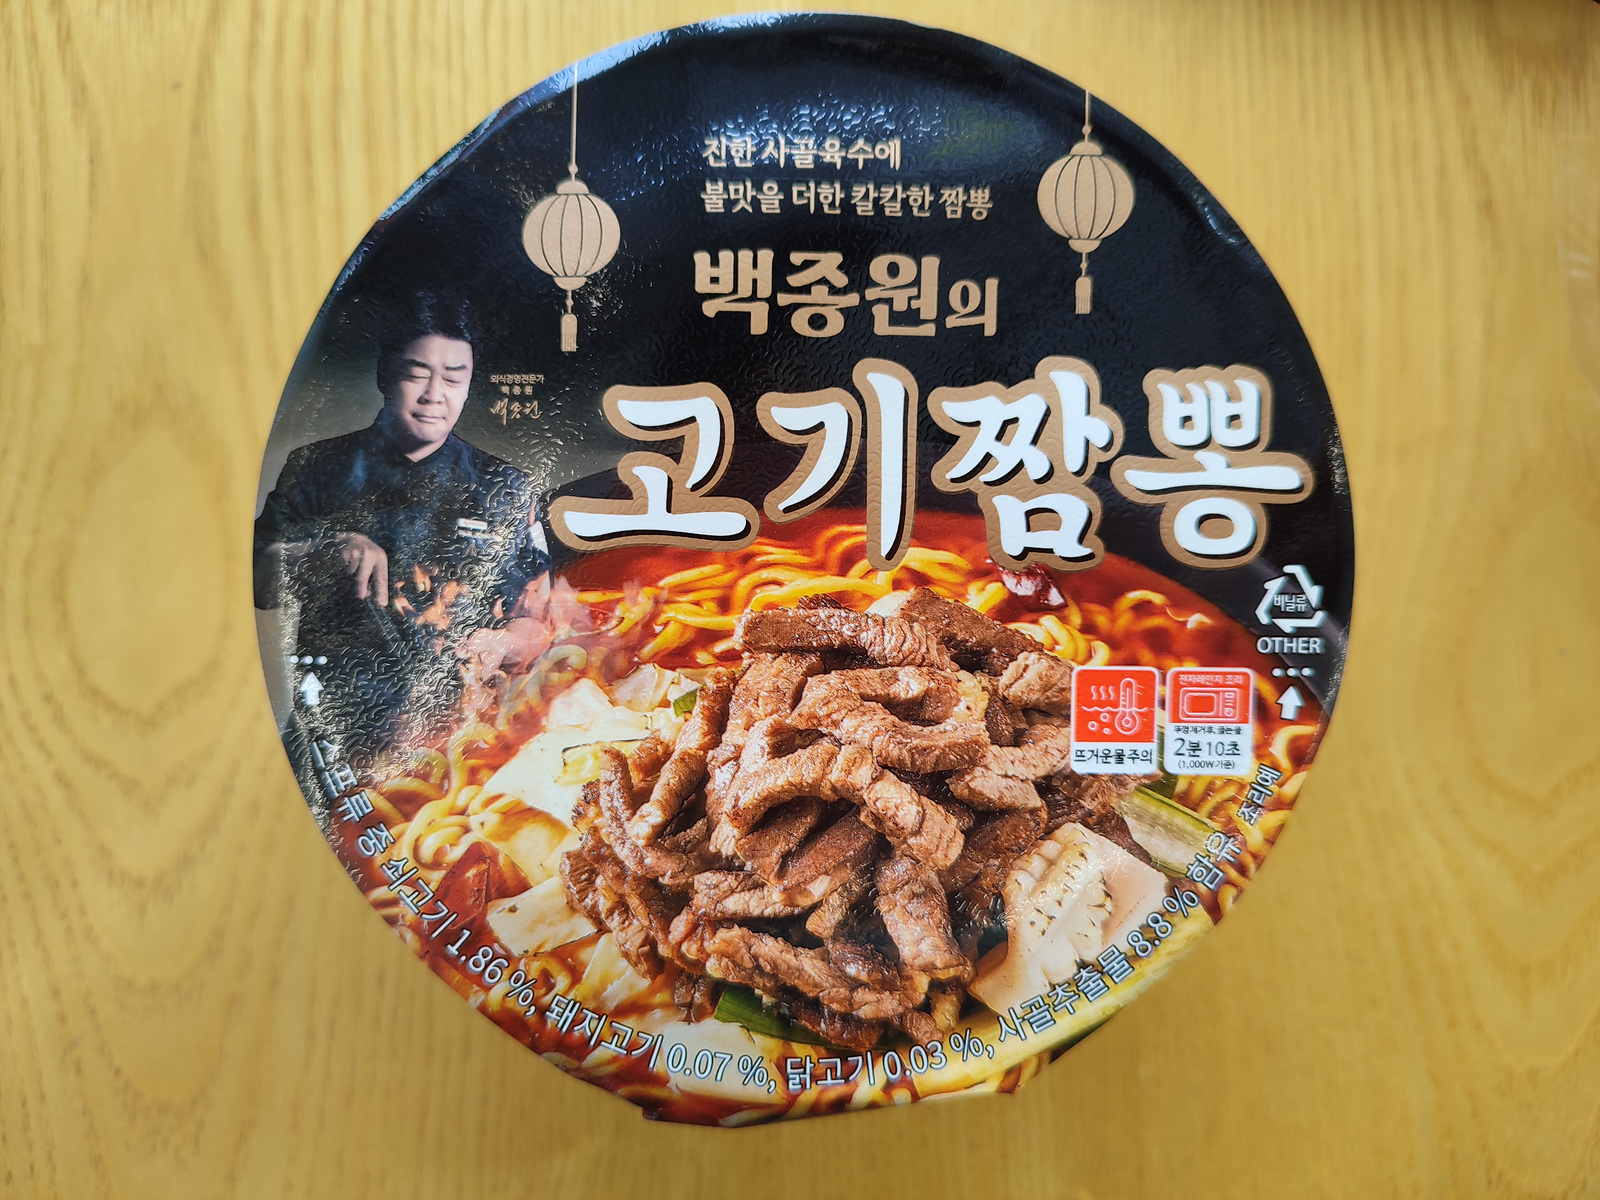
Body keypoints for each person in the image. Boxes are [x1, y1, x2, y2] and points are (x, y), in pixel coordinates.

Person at [254, 291, 547, 783]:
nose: (435, 394)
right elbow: (255, 579)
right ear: (385, 373)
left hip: (464, 742)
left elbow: (541, 622)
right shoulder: (317, 466)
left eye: (454, 378)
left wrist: (501, 642)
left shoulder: (506, 486)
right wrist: (325, 550)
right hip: (333, 732)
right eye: (417, 373)